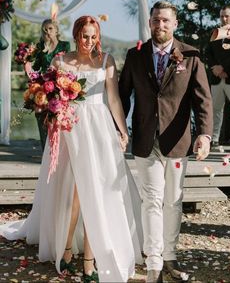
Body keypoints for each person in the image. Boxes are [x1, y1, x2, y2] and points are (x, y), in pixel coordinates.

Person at [0, 16, 142, 282]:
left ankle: (89, 258)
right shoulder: (61, 61)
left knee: (97, 189)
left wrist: (123, 131)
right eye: (84, 36)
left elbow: (113, 99)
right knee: (74, 191)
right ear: (76, 35)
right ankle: (66, 248)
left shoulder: (107, 60)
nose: (89, 42)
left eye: (93, 36)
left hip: (99, 130)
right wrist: (52, 115)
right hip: (71, 130)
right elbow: (51, 98)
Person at [119, 1, 213, 282]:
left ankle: (170, 255)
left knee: (172, 200)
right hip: (146, 140)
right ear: (149, 22)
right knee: (152, 200)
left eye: (165, 21)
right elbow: (123, 96)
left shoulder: (191, 55)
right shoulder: (134, 56)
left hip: (178, 141)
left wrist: (204, 136)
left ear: (175, 24)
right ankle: (153, 263)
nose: (160, 25)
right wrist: (118, 128)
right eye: (156, 20)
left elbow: (203, 100)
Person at [24, 19, 71, 150]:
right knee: (42, 118)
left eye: (50, 28)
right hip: (42, 88)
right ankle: (46, 151)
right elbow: (36, 67)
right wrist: (27, 59)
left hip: (58, 88)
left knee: (57, 120)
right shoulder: (40, 47)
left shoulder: (64, 46)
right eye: (45, 30)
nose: (47, 32)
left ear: (56, 30)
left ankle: (58, 151)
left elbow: (67, 66)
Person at [206, 5, 230, 150]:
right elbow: (208, 53)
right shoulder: (215, 33)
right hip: (217, 79)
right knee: (215, 109)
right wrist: (215, 69)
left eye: (227, 16)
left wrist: (223, 68)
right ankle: (214, 139)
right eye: (222, 16)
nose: (224, 19)